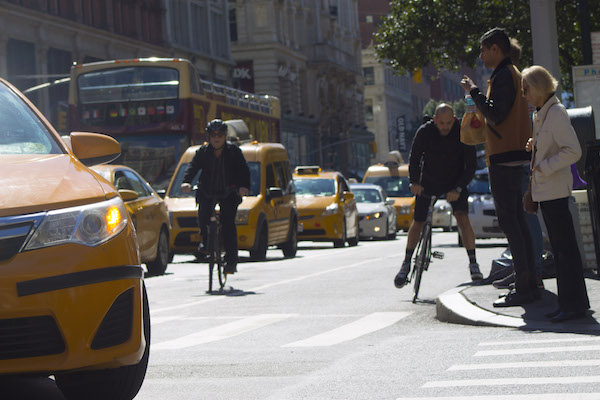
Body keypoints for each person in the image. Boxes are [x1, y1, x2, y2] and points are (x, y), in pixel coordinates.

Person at [460, 28, 537, 307]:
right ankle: (527, 278)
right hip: (512, 152)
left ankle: (525, 284)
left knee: (511, 221)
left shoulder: (505, 75)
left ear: (495, 49)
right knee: (516, 219)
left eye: (483, 50)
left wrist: (474, 92)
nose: (481, 56)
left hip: (505, 156)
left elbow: (495, 113)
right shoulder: (511, 73)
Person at [522, 65, 590, 322]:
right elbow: (553, 146)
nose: (524, 95)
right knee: (562, 249)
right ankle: (572, 304)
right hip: (547, 190)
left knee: (565, 250)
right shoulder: (542, 114)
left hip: (555, 191)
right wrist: (535, 146)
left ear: (538, 88)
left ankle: (573, 306)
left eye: (526, 89)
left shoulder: (556, 113)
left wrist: (544, 166)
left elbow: (573, 151)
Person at [394, 103, 482, 289]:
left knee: (462, 218)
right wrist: (414, 182)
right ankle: (406, 263)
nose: (445, 127)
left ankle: (473, 263)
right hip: (429, 181)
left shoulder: (461, 131)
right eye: (441, 123)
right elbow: (415, 158)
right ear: (435, 120)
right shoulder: (425, 132)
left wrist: (458, 188)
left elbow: (471, 165)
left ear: (454, 120)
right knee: (418, 221)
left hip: (454, 181)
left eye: (448, 123)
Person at [492, 37, 545, 291]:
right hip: (523, 155)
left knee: (524, 217)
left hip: (520, 156)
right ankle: (524, 270)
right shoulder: (520, 83)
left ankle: (530, 271)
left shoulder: (518, 84)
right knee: (522, 217)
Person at [181, 119, 250, 275]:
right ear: (209, 137)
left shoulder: (234, 151)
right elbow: (192, 168)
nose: (216, 138)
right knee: (203, 213)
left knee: (228, 223)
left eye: (220, 135)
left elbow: (243, 170)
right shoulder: (202, 152)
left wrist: (243, 187)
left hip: (229, 192)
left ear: (225, 136)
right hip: (207, 190)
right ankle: (206, 242)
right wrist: (186, 182)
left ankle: (231, 262)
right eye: (213, 135)